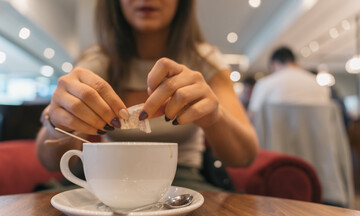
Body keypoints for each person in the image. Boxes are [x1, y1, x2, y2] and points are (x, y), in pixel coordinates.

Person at [35, 0, 258, 192]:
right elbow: (49, 161)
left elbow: (244, 157)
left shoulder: (205, 62)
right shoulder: (97, 62)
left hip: (181, 181)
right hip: (107, 179)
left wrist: (214, 116)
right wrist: (56, 121)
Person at [248, 46, 330, 118]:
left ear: (274, 64)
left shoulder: (265, 83)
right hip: (316, 135)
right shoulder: (318, 85)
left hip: (278, 135)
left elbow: (253, 116)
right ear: (294, 62)